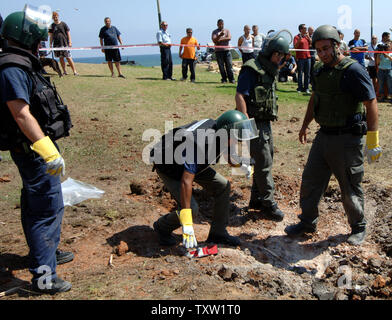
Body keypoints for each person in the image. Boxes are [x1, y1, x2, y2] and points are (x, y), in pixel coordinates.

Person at [284, 25, 382, 246]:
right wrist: (304, 125)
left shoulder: (353, 70)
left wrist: (373, 140)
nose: (323, 54)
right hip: (324, 137)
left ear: (337, 45)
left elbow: (371, 102)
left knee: (349, 185)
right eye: (318, 50)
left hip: (347, 140)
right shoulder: (319, 70)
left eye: (326, 48)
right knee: (310, 180)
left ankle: (358, 226)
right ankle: (307, 222)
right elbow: (315, 98)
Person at [0, 10, 75, 294]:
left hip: (35, 147)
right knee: (45, 208)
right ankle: (44, 277)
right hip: (33, 150)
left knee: (38, 204)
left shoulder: (18, 62)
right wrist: (48, 152)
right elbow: (20, 114)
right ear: (27, 36)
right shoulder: (12, 69)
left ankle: (46, 253)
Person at [151, 110, 259, 248]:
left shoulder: (222, 135)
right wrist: (187, 223)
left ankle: (218, 233)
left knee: (223, 186)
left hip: (192, 166)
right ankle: (162, 227)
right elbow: (186, 180)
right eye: (237, 136)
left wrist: (241, 165)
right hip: (170, 167)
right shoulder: (198, 143)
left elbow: (228, 154)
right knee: (191, 209)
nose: (240, 140)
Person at [235, 30, 292, 221]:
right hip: (253, 122)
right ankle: (269, 203)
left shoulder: (268, 68)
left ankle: (256, 200)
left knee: (265, 160)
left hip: (265, 123)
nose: (280, 59)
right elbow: (240, 95)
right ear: (269, 52)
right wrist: (245, 123)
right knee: (264, 163)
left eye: (282, 56)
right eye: (279, 55)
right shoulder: (252, 68)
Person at [49, 12, 78, 76]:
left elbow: (68, 33)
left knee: (68, 57)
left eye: (56, 16)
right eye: (54, 17)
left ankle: (74, 71)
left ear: (58, 16)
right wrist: (50, 44)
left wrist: (70, 42)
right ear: (52, 18)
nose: (55, 18)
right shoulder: (52, 26)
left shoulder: (63, 24)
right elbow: (51, 36)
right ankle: (64, 71)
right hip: (56, 44)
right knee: (61, 58)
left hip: (64, 43)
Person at [212, 19, 235, 84]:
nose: (221, 25)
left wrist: (220, 39)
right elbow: (214, 41)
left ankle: (231, 79)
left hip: (227, 51)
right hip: (218, 52)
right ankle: (224, 79)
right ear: (217, 24)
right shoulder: (214, 32)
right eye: (220, 24)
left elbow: (229, 38)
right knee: (221, 66)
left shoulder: (227, 30)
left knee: (229, 65)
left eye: (222, 24)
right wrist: (219, 35)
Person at [294, 24, 312, 94]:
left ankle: (306, 88)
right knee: (300, 73)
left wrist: (308, 37)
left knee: (307, 74)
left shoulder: (307, 37)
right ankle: (300, 88)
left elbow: (311, 44)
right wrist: (299, 40)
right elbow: (295, 46)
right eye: (305, 28)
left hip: (308, 57)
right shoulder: (296, 37)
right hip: (300, 58)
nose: (306, 29)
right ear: (301, 29)